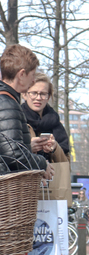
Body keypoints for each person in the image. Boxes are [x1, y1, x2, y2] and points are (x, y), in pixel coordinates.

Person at [0, 44, 53, 178]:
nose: (34, 80)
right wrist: (43, 164)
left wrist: (27, 146)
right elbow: (13, 157)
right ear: (22, 74)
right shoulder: (7, 104)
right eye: (32, 74)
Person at [21, 72, 69, 162]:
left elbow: (67, 164)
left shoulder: (56, 124)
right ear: (25, 94)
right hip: (26, 175)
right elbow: (7, 155)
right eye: (34, 93)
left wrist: (55, 149)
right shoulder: (17, 120)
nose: (38, 98)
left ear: (48, 97)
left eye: (43, 94)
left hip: (53, 175)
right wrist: (28, 148)